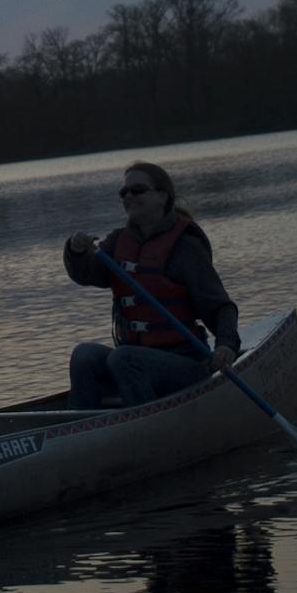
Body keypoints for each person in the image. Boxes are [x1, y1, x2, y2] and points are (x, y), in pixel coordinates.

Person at [63, 160, 241, 408]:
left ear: (162, 196)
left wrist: (226, 344)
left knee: (123, 359)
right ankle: (79, 432)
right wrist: (76, 252)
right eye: (123, 193)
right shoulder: (117, 242)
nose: (128, 197)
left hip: (185, 363)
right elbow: (89, 274)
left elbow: (220, 306)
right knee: (84, 355)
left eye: (137, 190)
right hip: (133, 359)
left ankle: (146, 425)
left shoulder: (185, 247)